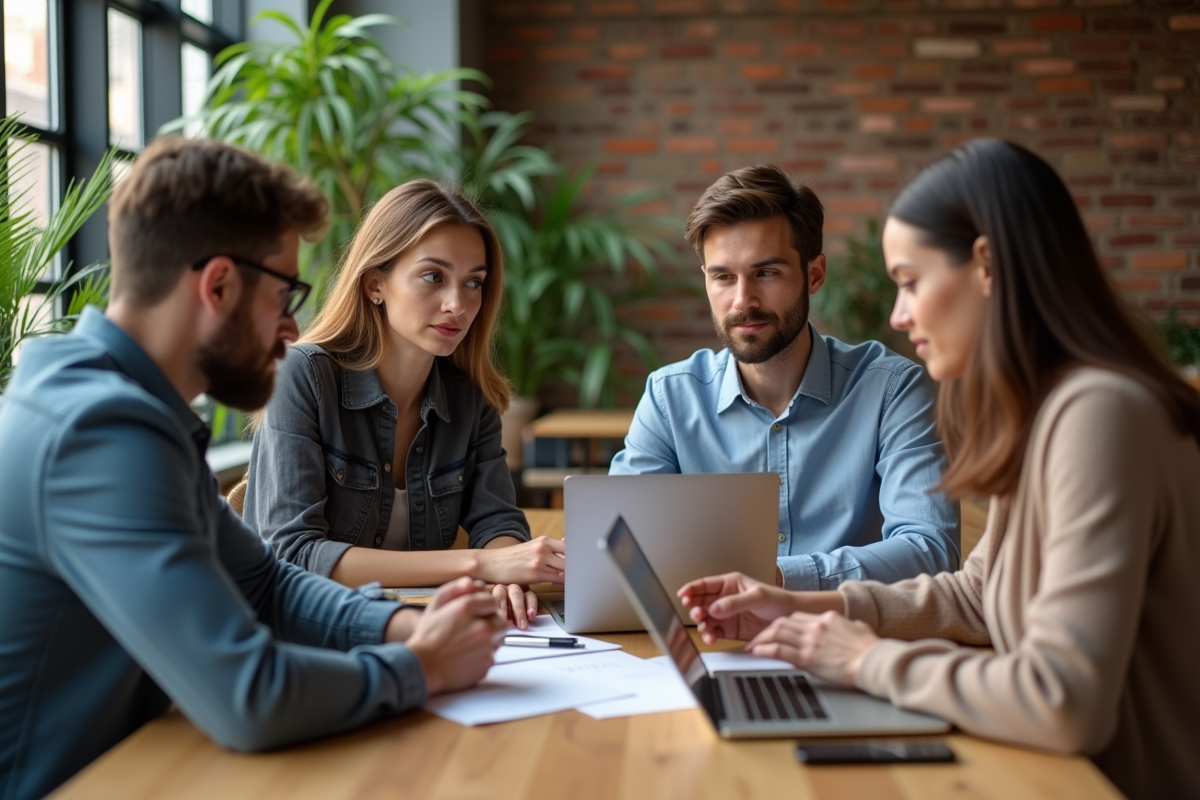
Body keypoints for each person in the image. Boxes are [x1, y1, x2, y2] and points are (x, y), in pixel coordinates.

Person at [678, 140, 1200, 800]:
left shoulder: (1099, 414)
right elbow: (979, 595)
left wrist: (865, 659)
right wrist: (806, 607)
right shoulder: (1048, 411)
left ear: (984, 266)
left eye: (911, 282)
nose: (898, 315)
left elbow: (1063, 700)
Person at [0, 138, 507, 800]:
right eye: (283, 295)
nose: (292, 329)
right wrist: (421, 665)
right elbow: (248, 696)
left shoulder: (126, 409)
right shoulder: (100, 434)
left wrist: (401, 626)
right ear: (218, 285)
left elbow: (264, 583)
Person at [609, 164, 960, 590]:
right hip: (714, 639)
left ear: (814, 275)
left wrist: (773, 580)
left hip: (847, 638)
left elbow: (931, 550)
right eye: (723, 277)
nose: (743, 301)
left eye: (766, 273)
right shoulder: (670, 398)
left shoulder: (892, 389)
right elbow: (621, 550)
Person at [242, 180, 564, 630]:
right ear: (376, 284)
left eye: (474, 283)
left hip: (420, 628)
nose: (458, 304)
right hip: (307, 636)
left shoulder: (471, 395)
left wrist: (508, 573)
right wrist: (481, 565)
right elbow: (294, 555)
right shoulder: (302, 375)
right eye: (434, 276)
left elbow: (496, 520)